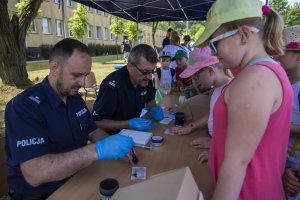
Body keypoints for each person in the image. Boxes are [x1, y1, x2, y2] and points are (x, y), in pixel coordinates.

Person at [4, 38, 135, 199]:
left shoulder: (75, 99)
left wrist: (115, 146)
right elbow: (35, 173)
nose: (82, 82)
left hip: (80, 178)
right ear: (54, 68)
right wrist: (97, 150)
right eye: (76, 75)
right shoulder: (24, 107)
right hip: (43, 193)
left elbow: (93, 132)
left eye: (85, 75)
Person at [194, 0, 293, 199]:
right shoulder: (259, 73)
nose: (213, 53)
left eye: (215, 43)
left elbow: (237, 162)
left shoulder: (254, 80)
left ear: (244, 34)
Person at [170, 47, 232, 163]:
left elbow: (237, 132)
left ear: (210, 70)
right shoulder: (217, 88)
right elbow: (212, 113)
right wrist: (190, 127)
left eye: (196, 76)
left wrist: (214, 146)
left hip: (222, 150)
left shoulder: (231, 90)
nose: (195, 80)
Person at [92, 44, 164, 135]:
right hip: (112, 137)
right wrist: (128, 124)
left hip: (134, 132)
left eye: (153, 71)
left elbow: (150, 99)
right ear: (130, 67)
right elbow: (97, 122)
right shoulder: (112, 86)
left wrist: (153, 109)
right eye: (145, 72)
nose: (150, 77)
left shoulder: (145, 78)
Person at [279, 25, 300, 200]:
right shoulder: (284, 82)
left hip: (296, 170)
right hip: (283, 164)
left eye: (283, 51)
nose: (277, 55)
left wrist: (281, 125)